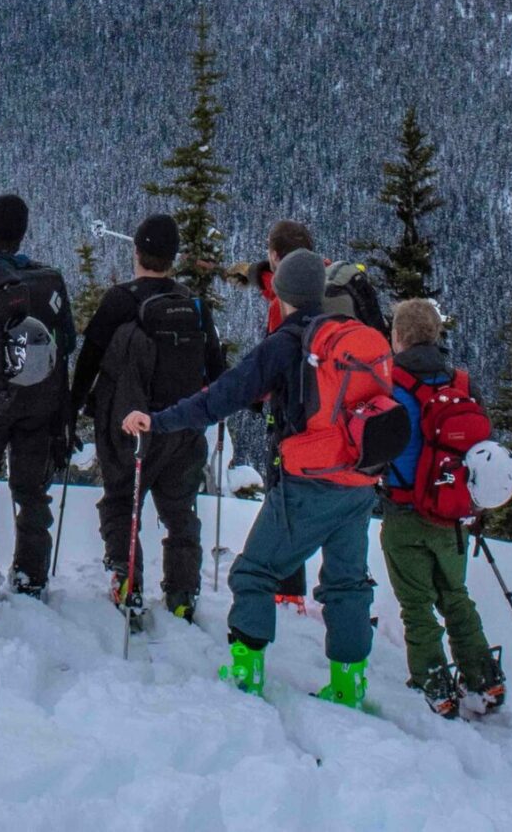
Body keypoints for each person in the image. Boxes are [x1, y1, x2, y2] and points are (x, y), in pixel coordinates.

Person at [122, 250, 382, 706]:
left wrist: (159, 421)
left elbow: (222, 396)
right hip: (359, 481)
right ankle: (349, 683)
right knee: (348, 583)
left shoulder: (288, 343)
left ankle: (246, 673)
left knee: (254, 572)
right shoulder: (354, 335)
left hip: (309, 485)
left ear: (280, 294)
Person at [227, 220, 390, 612]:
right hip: (356, 428)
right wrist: (253, 273)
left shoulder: (281, 307)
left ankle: (286, 587)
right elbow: (277, 281)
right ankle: (347, 606)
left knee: (284, 499)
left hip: (304, 424)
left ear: (275, 255)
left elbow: (277, 356)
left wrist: (251, 393)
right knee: (347, 524)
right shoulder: (334, 279)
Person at [70, 213, 224, 622]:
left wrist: (71, 412)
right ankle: (181, 593)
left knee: (122, 502)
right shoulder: (193, 304)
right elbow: (218, 370)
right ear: (173, 257)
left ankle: (126, 580)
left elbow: (89, 360)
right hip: (183, 427)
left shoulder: (121, 300)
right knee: (179, 510)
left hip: (130, 427)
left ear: (136, 251)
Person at [379, 298, 506, 718]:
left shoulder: (388, 381)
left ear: (397, 337)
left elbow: (372, 446)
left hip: (402, 511)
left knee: (416, 607)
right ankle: (484, 679)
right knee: (455, 596)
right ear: (435, 335)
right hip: (452, 516)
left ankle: (435, 686)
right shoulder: (463, 384)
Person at [0, 194, 77, 597]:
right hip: (41, 403)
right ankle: (32, 575)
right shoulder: (50, 280)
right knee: (32, 491)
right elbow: (65, 341)